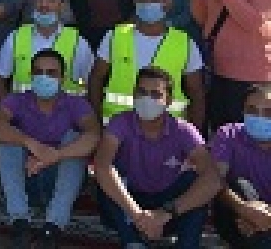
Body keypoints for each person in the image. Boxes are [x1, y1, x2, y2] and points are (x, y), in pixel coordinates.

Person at [94, 67, 221, 249]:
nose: (147, 99)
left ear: (168, 100)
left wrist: (165, 214)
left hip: (169, 207)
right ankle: (133, 243)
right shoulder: (119, 123)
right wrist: (139, 216)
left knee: (196, 182)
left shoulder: (184, 130)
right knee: (108, 177)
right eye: (142, 92)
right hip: (129, 205)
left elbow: (213, 179)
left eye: (155, 94)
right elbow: (101, 166)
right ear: (134, 95)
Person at [0, 50, 101, 247]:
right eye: (39, 72)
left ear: (62, 78)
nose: (44, 77)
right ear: (31, 76)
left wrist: (56, 155)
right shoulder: (16, 100)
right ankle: (20, 223)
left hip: (60, 182)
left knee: (75, 137)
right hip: (27, 178)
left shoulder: (76, 104)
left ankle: (53, 227)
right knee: (7, 137)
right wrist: (31, 144)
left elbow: (94, 135)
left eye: (51, 73)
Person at [89, 0, 205, 127]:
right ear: (135, 2)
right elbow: (96, 79)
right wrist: (96, 124)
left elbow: (196, 94)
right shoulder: (114, 36)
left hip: (167, 131)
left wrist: (193, 135)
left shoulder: (185, 43)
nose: (147, 3)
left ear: (168, 4)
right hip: (118, 129)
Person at [0, 0, 93, 104]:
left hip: (66, 112)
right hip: (23, 112)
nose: (44, 5)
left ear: (62, 5)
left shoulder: (78, 42)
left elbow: (89, 82)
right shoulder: (16, 37)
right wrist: (6, 109)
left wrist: (81, 109)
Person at [210, 84, 271, 248]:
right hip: (235, 213)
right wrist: (244, 209)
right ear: (242, 112)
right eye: (252, 110)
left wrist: (263, 217)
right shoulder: (228, 135)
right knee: (239, 185)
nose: (260, 117)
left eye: (268, 112)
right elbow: (215, 180)